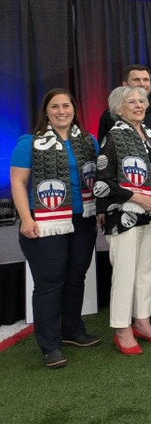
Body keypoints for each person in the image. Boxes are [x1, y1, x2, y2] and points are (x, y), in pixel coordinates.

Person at [10, 89, 101, 368]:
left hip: (82, 219)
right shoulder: (29, 142)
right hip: (45, 221)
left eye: (66, 106)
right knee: (49, 283)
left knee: (76, 278)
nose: (61, 111)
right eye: (55, 106)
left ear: (74, 109)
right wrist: (26, 219)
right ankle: (49, 345)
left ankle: (72, 330)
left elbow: (97, 177)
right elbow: (18, 182)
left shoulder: (88, 140)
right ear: (46, 111)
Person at [96, 86, 151, 355]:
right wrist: (138, 198)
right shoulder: (113, 137)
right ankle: (122, 329)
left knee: (146, 270)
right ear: (119, 109)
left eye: (142, 101)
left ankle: (143, 322)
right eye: (132, 102)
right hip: (123, 214)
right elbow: (103, 182)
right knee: (125, 272)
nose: (139, 105)